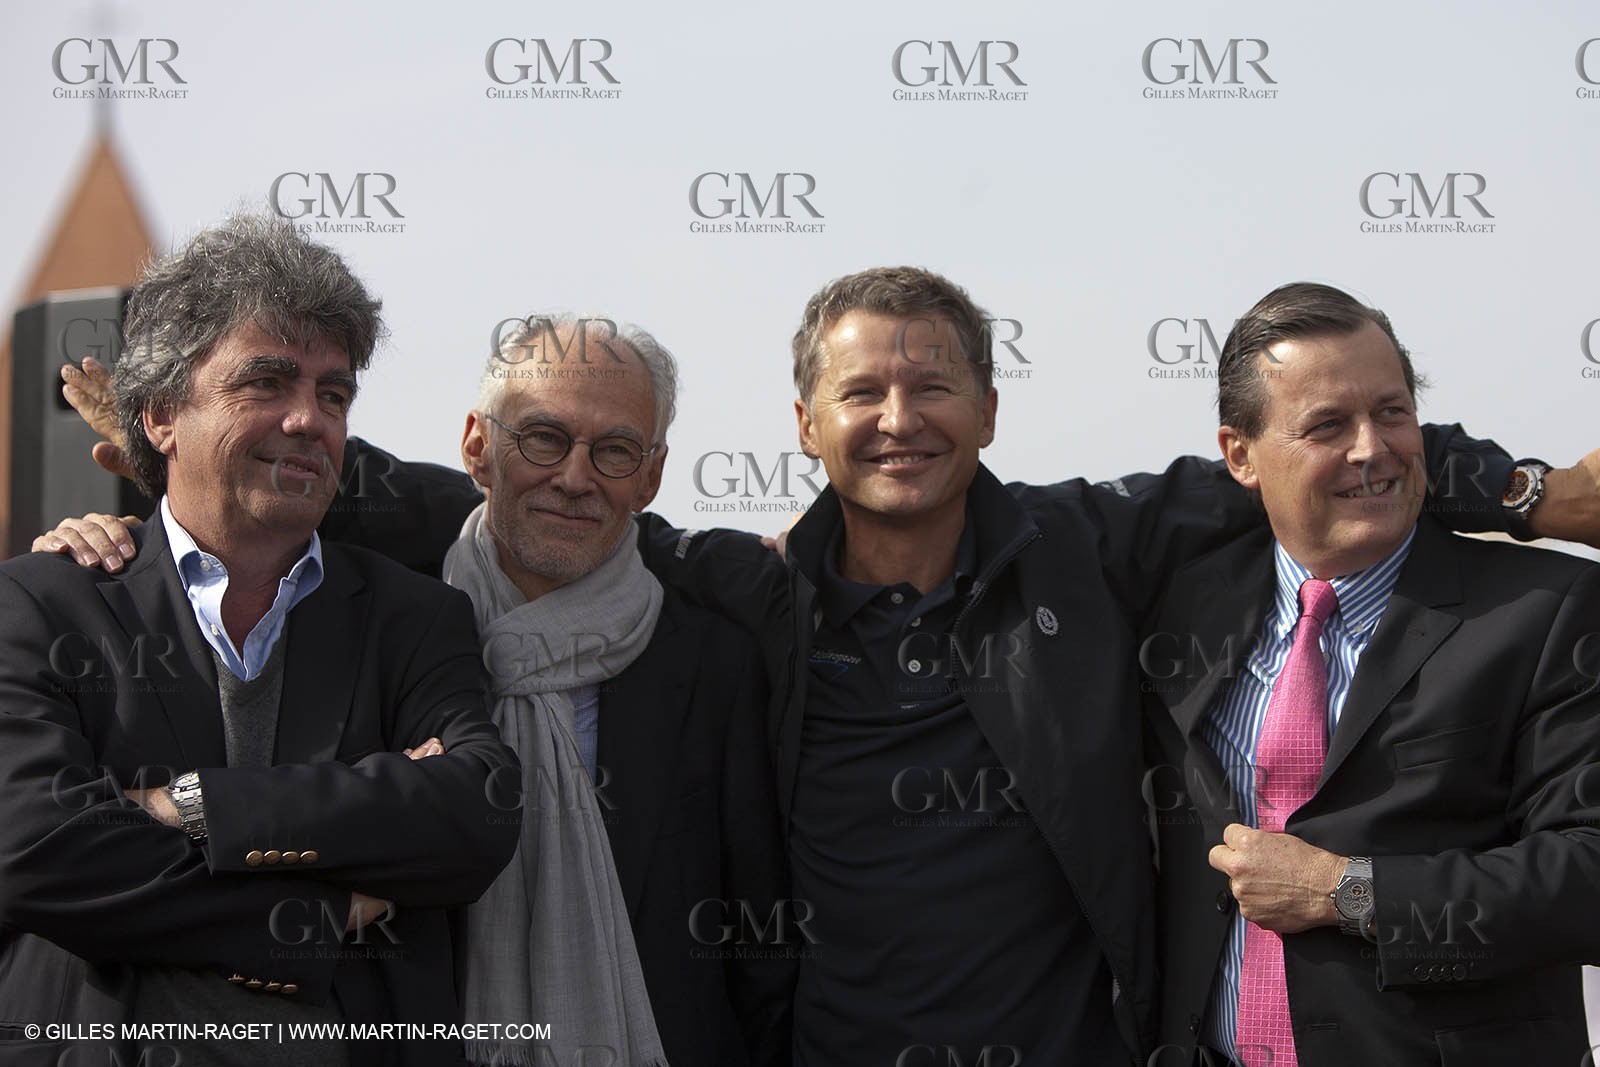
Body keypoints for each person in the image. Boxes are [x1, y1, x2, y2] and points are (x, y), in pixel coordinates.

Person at [36, 268, 1600, 1065]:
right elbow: (493, 493)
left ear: (990, 409)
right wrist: (143, 480)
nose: (900, 416)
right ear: (804, 425)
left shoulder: (1090, 551)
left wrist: (1526, 491)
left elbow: (1319, 452)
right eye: (862, 390)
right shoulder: (743, 591)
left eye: (934, 384)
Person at [0, 213, 519, 1067]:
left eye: (335, 393)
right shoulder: (41, 605)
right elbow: (41, 854)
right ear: (163, 412)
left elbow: (474, 816)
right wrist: (321, 913)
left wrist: (189, 808)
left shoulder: (416, 617)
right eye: (268, 383)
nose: (309, 419)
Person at [1140, 282, 1600, 1066]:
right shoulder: (1179, 609)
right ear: (1239, 455)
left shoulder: (1548, 611)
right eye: (1326, 425)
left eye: (1392, 412)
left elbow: (1587, 874)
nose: (1371, 448)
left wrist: (1347, 891)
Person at [447, 314, 791, 1066]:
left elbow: (763, 954)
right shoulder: (391, 624)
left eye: (614, 450)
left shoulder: (717, 661)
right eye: (543, 437)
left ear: (651, 476)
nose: (574, 477)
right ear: (479, 445)